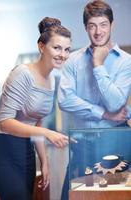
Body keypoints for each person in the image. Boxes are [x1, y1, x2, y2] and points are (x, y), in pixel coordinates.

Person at [58, 1, 131, 199]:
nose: (98, 31)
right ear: (85, 28)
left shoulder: (126, 61)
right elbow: (64, 100)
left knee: (113, 198)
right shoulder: (73, 60)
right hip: (82, 146)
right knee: (71, 197)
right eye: (92, 25)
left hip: (116, 146)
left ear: (112, 25)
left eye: (103, 24)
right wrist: (105, 114)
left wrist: (98, 65)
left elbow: (116, 102)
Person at [0, 17, 71, 200]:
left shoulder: (52, 79)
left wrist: (44, 162)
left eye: (67, 49)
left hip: (25, 148)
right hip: (4, 147)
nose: (63, 54)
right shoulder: (23, 74)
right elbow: (5, 122)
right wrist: (48, 133)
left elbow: (37, 123)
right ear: (41, 46)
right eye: (57, 47)